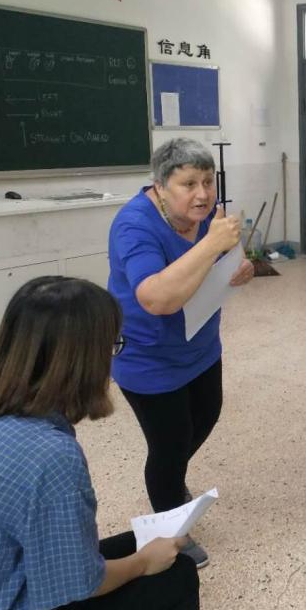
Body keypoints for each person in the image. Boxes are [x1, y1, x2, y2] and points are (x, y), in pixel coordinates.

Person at [0, 277, 199, 610]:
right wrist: (142, 564)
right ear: (84, 362)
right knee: (176, 575)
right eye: (112, 346)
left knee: (141, 544)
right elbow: (78, 586)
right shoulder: (51, 455)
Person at [108, 137, 254, 568]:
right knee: (169, 445)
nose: (203, 194)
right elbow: (157, 298)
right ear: (160, 186)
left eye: (208, 181)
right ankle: (170, 527)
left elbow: (225, 260)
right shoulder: (134, 225)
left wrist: (240, 268)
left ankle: (169, 481)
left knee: (205, 416)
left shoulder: (207, 216)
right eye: (188, 184)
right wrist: (210, 245)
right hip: (148, 355)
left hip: (200, 344)